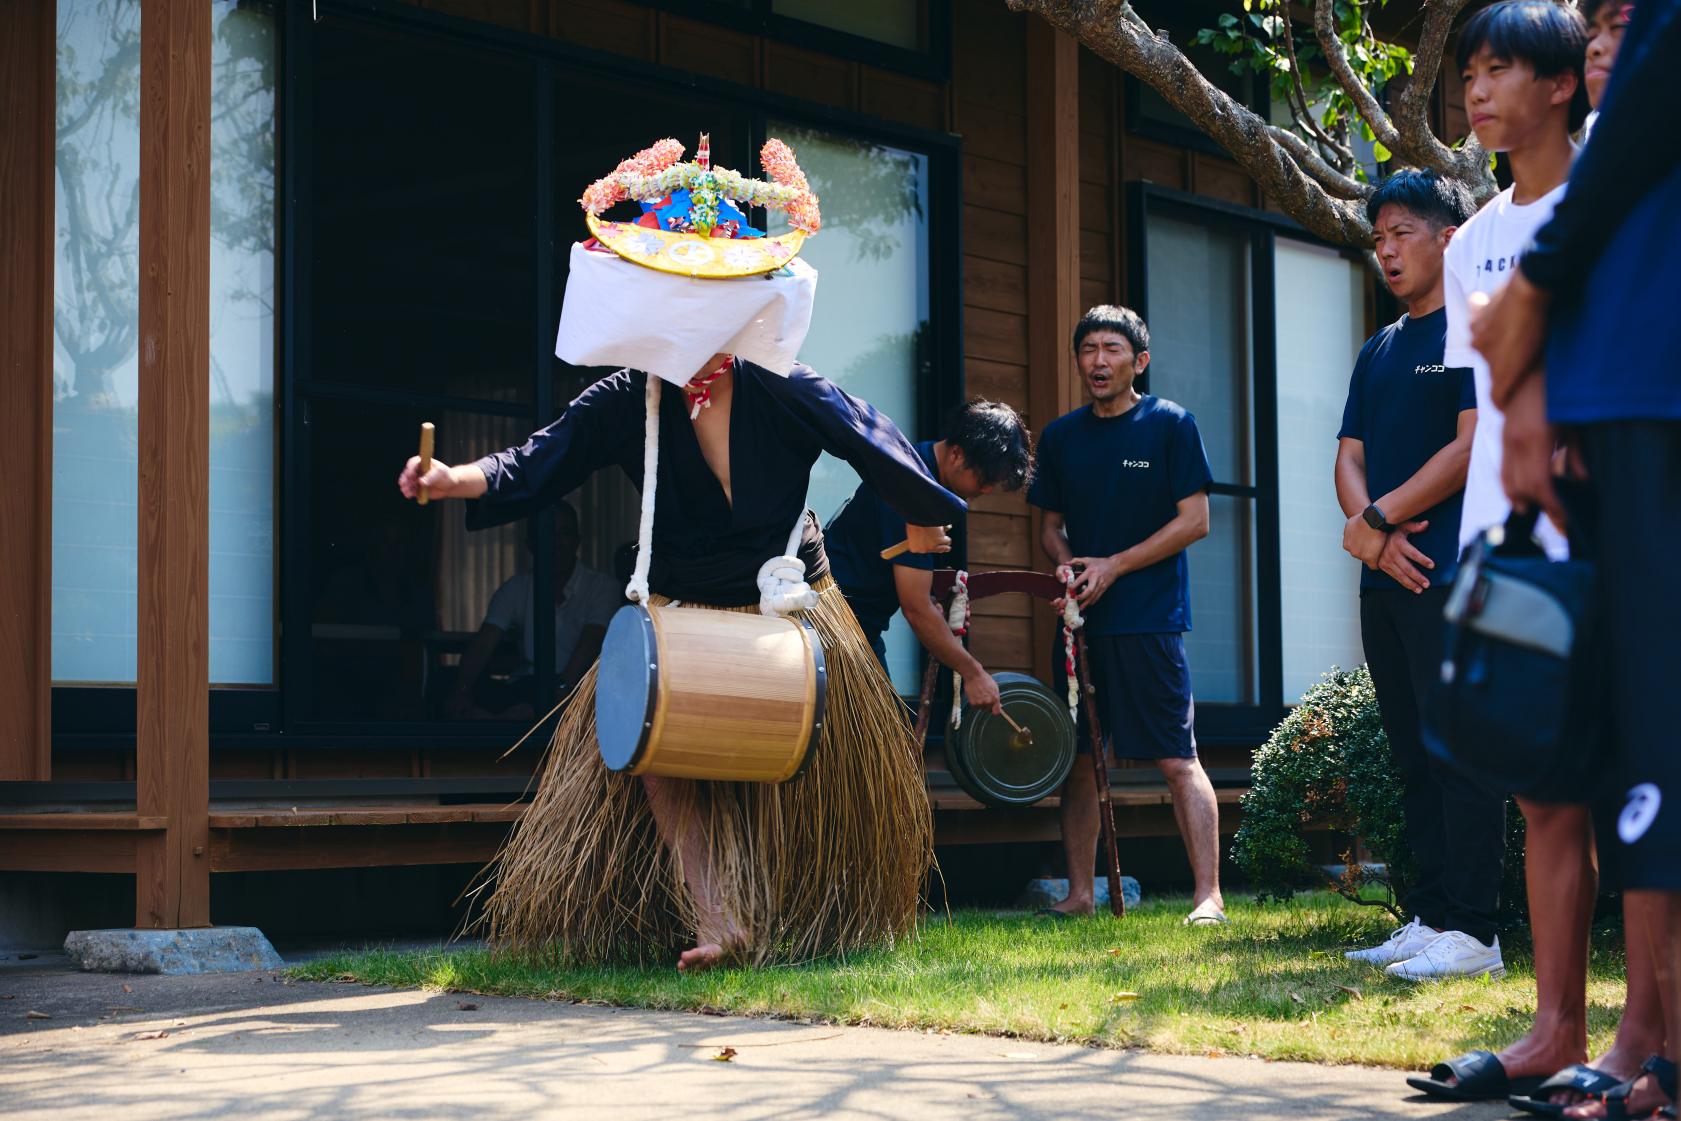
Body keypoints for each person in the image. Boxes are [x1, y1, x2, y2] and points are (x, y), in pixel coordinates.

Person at [398, 136, 965, 972]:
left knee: (797, 755)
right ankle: (719, 915)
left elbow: (878, 445)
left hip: (786, 603)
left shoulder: (785, 382)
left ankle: (816, 905)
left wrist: (923, 521)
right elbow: (537, 459)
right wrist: (453, 478)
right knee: (664, 759)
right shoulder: (629, 394)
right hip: (676, 607)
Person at [1472, 1, 1681, 1116]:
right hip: (1618, 402)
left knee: (1659, 747)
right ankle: (1649, 1046)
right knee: (1636, 754)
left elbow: (1649, 108)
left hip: (1652, 397)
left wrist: (1535, 285)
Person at [1404, 0, 1605, 1104]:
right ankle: (1550, 1026)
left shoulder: (1611, 207)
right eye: (1467, 73)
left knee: (1638, 783)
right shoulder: (1473, 237)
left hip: (1613, 531)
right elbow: (1482, 412)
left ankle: (1647, 1040)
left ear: (1564, 83)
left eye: (1499, 70)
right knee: (1542, 787)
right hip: (1511, 542)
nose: (1474, 92)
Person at [1332, 170, 1490, 981]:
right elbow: (1346, 456)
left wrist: (1378, 522)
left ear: (1445, 237)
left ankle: (1476, 929)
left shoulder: (1472, 330)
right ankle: (1430, 916)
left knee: (1458, 749)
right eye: (1378, 237)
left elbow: (1470, 445)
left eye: (1402, 233)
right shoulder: (1379, 348)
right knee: (1409, 753)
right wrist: (1369, 536)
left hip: (1447, 568)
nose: (1386, 251)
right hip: (1384, 576)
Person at [1028, 305, 1223, 927]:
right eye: (1087, 349)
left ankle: (1208, 897)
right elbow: (1050, 528)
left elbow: (1195, 520)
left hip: (1150, 616)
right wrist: (1066, 565)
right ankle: (1080, 894)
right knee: (1082, 758)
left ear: (1139, 361)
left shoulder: (1170, 425)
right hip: (1083, 622)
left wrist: (1115, 564)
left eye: (1112, 349)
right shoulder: (1061, 437)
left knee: (1176, 756)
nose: (1098, 361)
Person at [827, 399, 1032, 711]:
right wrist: (973, 673)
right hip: (837, 628)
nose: (988, 489)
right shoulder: (913, 485)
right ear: (956, 454)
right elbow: (916, 608)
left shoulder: (918, 464)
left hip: (853, 625)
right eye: (985, 478)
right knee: (884, 737)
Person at [444, 502, 619, 721]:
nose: (556, 543)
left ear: (577, 541)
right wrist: (462, 691)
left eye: (564, 534)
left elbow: (592, 638)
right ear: (531, 544)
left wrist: (562, 691)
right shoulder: (518, 587)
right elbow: (485, 641)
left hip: (577, 690)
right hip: (527, 686)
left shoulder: (601, 586)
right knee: (448, 687)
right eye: (547, 534)